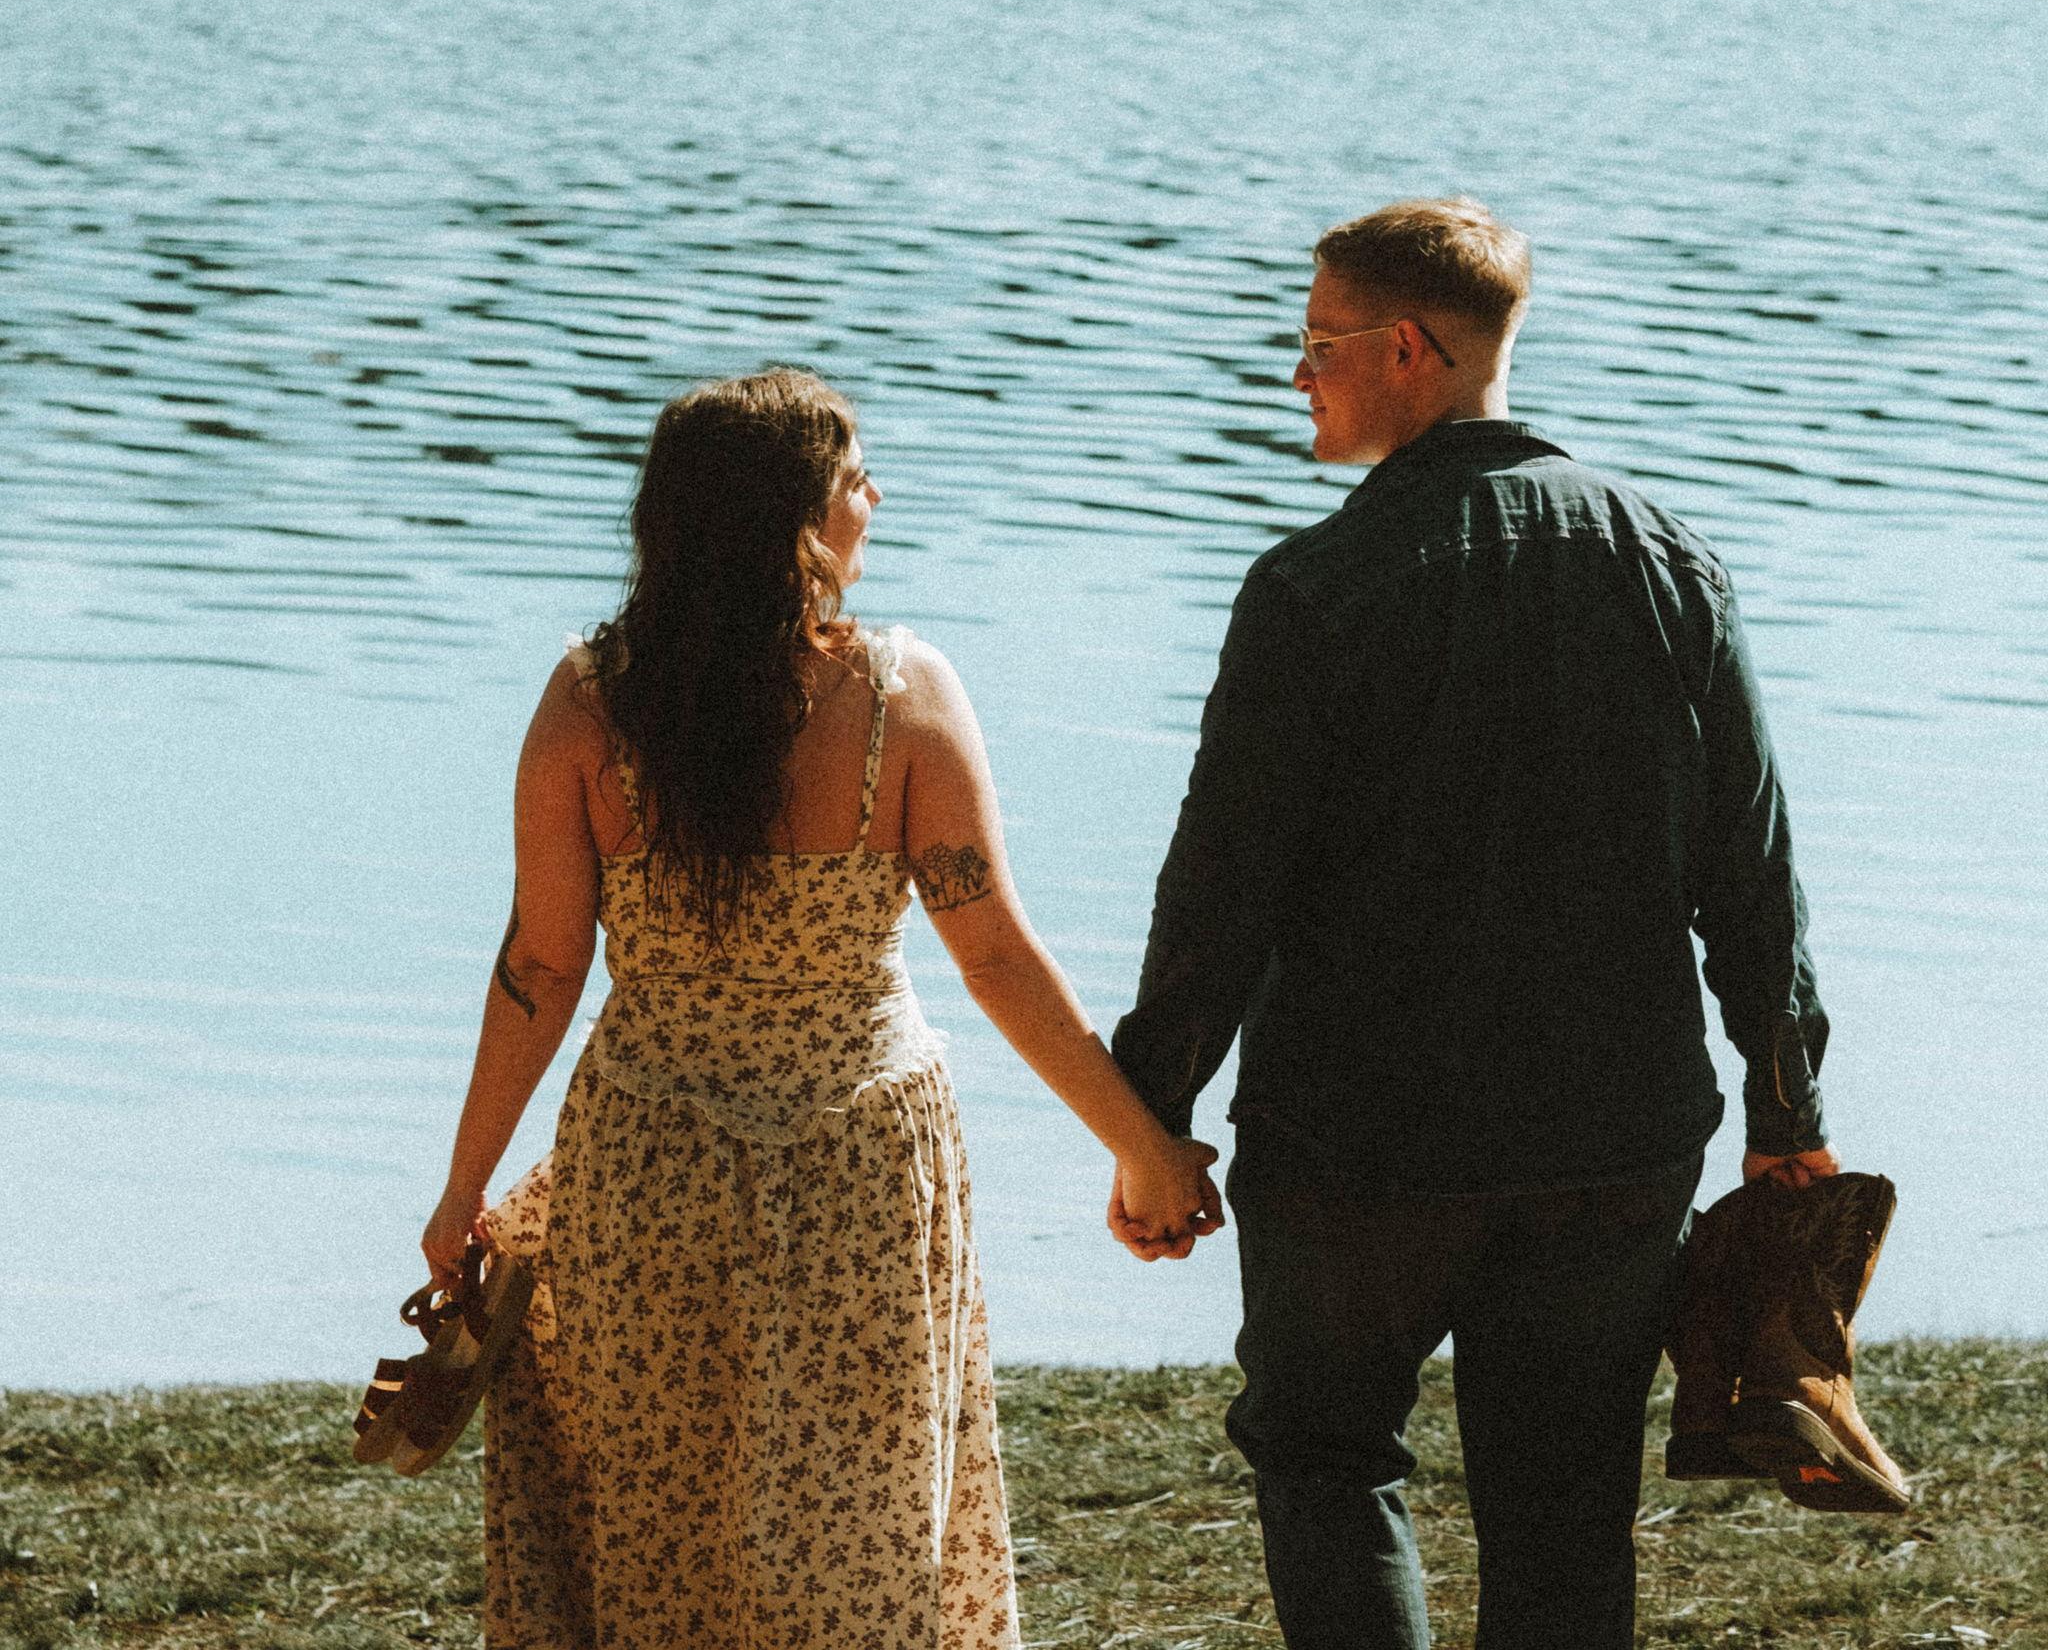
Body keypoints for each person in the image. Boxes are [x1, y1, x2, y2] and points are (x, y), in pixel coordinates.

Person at [1107, 199, 1839, 1650]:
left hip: (1359, 1147)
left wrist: (1152, 1119)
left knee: (1327, 1456)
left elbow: (1219, 893)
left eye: (1317, 343)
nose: (1296, 374)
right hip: (1611, 1145)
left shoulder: (1312, 590)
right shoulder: (1672, 565)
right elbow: (1751, 869)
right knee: (1564, 1505)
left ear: (1406, 349)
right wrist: (1784, 1104)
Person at [420, 368, 1216, 1650]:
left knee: (658, 1535)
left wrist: (462, 1190)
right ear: (793, 521)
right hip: (858, 1164)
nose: (874, 497)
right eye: (853, 477)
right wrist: (1142, 1146)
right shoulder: (903, 695)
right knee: (860, 1534)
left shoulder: (588, 701)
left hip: (647, 1161)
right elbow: (992, 952)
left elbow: (541, 967)